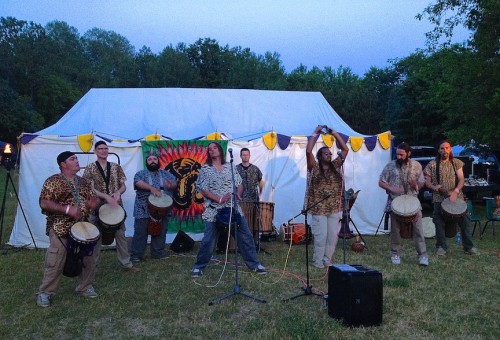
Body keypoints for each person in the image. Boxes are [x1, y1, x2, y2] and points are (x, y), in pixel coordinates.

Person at [191, 142, 267, 277]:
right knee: (209, 240)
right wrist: (219, 199)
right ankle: (199, 266)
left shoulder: (230, 166)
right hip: (214, 210)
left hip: (233, 208)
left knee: (246, 236)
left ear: (220, 150)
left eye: (214, 148)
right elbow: (203, 189)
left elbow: (239, 184)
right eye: (209, 149)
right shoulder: (206, 169)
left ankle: (255, 264)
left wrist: (238, 193)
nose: (212, 150)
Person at [36, 151, 100, 307]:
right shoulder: (53, 181)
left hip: (83, 226)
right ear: (63, 164)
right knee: (56, 260)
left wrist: (93, 204)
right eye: (73, 159)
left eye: (77, 158)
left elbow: (93, 200)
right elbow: (44, 203)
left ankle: (84, 287)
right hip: (60, 226)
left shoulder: (84, 181)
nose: (77, 161)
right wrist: (66, 209)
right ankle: (45, 292)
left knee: (90, 258)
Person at [82, 141, 139, 272]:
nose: (103, 151)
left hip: (116, 207)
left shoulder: (115, 167)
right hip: (96, 207)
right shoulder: (90, 168)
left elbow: (123, 185)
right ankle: (92, 268)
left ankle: (126, 264)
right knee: (95, 237)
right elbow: (88, 187)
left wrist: (118, 192)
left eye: (105, 148)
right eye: (100, 149)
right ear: (95, 151)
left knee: (121, 235)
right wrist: (105, 196)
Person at [424, 140, 479, 256]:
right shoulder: (432, 164)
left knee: (465, 221)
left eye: (447, 148)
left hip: (457, 198)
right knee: (438, 221)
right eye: (442, 148)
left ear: (450, 149)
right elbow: (427, 182)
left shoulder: (457, 163)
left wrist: (456, 191)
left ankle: (469, 247)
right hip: (439, 198)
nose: (445, 150)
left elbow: (461, 179)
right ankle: (441, 247)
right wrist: (434, 187)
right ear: (439, 150)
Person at [305, 125, 349, 269]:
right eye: (325, 154)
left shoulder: (336, 165)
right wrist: (315, 132)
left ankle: (327, 259)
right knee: (321, 236)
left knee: (332, 237)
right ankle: (317, 261)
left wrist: (334, 133)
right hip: (319, 208)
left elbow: (345, 150)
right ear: (319, 156)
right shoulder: (314, 167)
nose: (329, 156)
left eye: (330, 153)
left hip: (334, 207)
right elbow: (308, 151)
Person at [379, 142, 429, 266]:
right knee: (395, 231)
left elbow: (422, 182)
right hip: (395, 203)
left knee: (418, 230)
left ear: (408, 153)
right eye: (397, 154)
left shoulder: (416, 166)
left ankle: (422, 255)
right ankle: (395, 253)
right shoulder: (390, 166)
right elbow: (381, 182)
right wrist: (392, 189)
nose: (399, 157)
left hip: (413, 202)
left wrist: (416, 185)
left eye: (401, 154)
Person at [130, 149, 177, 262]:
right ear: (147, 162)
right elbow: (138, 182)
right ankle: (136, 255)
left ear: (158, 160)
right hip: (143, 208)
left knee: (160, 231)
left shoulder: (166, 174)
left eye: (154, 159)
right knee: (140, 232)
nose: (152, 161)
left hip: (162, 209)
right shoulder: (140, 174)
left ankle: (158, 253)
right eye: (150, 159)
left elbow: (174, 183)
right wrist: (152, 189)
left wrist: (172, 186)